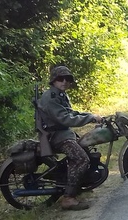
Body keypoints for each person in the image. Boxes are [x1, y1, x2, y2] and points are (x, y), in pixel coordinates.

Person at [37, 66, 103, 210]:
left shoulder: (60, 94)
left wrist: (90, 115)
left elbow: (71, 113)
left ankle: (80, 185)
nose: (65, 82)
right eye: (60, 79)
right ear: (53, 80)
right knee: (81, 159)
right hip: (55, 136)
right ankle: (69, 198)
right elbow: (66, 119)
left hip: (64, 133)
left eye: (68, 79)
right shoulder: (50, 98)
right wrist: (90, 118)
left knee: (87, 148)